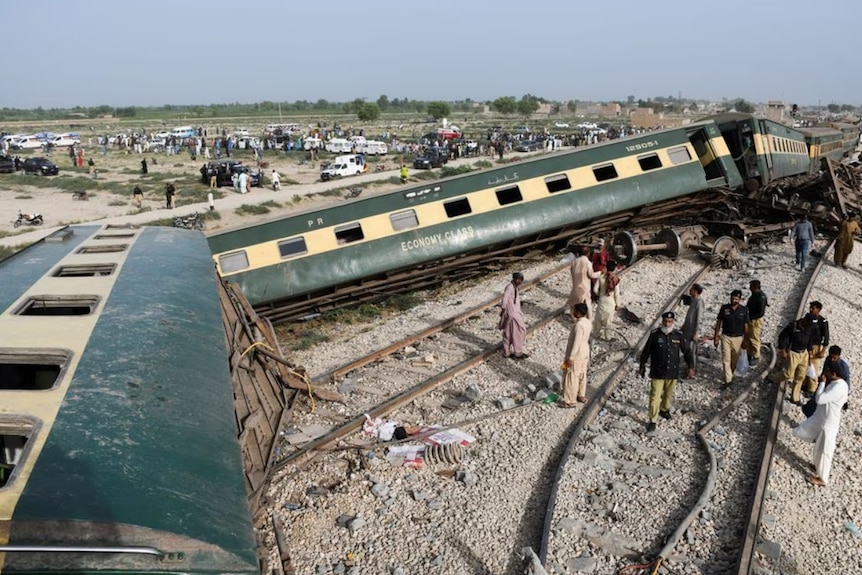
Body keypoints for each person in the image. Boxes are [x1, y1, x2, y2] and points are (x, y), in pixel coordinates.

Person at [791, 365, 849, 486]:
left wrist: (821, 383)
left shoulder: (838, 387)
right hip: (822, 419)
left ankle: (823, 479)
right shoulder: (839, 383)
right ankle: (818, 467)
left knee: (825, 450)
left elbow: (820, 399)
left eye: (828, 371)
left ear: (834, 374)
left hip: (828, 423)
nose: (825, 372)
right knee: (817, 444)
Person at [639, 311, 694, 432]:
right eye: (665, 321)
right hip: (657, 372)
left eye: (670, 321)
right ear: (662, 321)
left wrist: (691, 366)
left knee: (668, 395)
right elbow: (646, 351)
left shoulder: (678, 336)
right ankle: (652, 420)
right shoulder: (655, 335)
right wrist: (642, 365)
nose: (667, 324)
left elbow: (687, 352)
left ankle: (664, 410)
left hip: (672, 371)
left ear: (673, 322)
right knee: (655, 396)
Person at [713, 289, 750, 387]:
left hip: (738, 338)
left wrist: (746, 340)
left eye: (736, 299)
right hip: (726, 337)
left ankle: (730, 374)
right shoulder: (725, 308)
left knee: (735, 360)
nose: (734, 300)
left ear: (740, 299)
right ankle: (728, 381)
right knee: (726, 359)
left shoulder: (744, 310)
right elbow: (719, 322)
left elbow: (746, 327)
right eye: (733, 298)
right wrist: (716, 336)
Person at [778, 315, 814, 405]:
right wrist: (783, 350)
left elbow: (810, 341)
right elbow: (782, 337)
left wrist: (810, 355)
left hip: (804, 354)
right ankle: (773, 378)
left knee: (800, 376)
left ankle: (795, 398)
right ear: (804, 321)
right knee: (788, 374)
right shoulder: (793, 326)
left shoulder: (810, 328)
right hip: (793, 353)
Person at [561, 303, 592, 407]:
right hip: (585, 351)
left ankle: (570, 401)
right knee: (582, 373)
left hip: (577, 353)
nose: (573, 312)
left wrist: (570, 358)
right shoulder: (588, 322)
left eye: (574, 310)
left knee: (572, 375)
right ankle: (581, 394)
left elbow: (576, 343)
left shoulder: (579, 325)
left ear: (578, 313)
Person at [498, 272, 529, 359]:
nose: (519, 281)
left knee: (508, 332)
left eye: (520, 280)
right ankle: (517, 352)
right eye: (518, 280)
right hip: (513, 313)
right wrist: (503, 309)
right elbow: (505, 299)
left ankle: (506, 352)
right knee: (521, 330)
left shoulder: (514, 287)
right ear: (514, 279)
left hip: (512, 312)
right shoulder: (510, 287)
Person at [566, 244, 601, 318]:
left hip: (575, 286)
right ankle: (589, 319)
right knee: (588, 304)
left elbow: (572, 272)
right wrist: (600, 273)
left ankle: (574, 319)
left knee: (573, 304)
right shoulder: (588, 263)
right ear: (588, 253)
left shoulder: (574, 262)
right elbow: (591, 275)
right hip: (584, 288)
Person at [804, 301, 829, 395]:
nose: (810, 309)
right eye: (810, 307)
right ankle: (804, 384)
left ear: (818, 310)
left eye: (813, 308)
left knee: (813, 367)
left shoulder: (822, 321)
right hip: (806, 344)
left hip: (815, 346)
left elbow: (826, 337)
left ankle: (812, 388)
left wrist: (823, 350)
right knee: (804, 365)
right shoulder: (808, 318)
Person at [680, 284, 705, 374]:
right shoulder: (694, 301)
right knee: (687, 350)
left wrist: (696, 332)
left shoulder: (699, 302)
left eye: (691, 289)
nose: (690, 291)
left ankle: (692, 371)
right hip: (687, 331)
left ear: (695, 291)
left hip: (692, 332)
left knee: (692, 351)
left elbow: (699, 318)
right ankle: (689, 368)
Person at [593, 260, 620, 341]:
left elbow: (594, 290)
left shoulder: (601, 277)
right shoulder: (615, 279)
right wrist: (617, 304)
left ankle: (596, 334)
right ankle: (607, 337)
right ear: (614, 269)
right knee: (608, 322)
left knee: (598, 319)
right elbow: (616, 294)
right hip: (610, 303)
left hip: (602, 301)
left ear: (606, 267)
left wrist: (600, 294)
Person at [821, 345, 850, 410]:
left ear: (839, 356)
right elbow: (824, 369)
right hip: (828, 380)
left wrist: (846, 393)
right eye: (831, 357)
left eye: (834, 358)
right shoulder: (828, 359)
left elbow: (846, 380)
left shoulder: (843, 366)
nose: (832, 359)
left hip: (839, 384)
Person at [746, 280, 768, 364]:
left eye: (751, 287)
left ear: (755, 288)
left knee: (754, 338)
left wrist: (749, 318)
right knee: (748, 336)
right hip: (751, 319)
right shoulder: (755, 295)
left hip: (755, 321)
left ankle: (756, 356)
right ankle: (749, 353)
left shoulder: (761, 298)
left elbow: (760, 313)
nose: (749, 289)